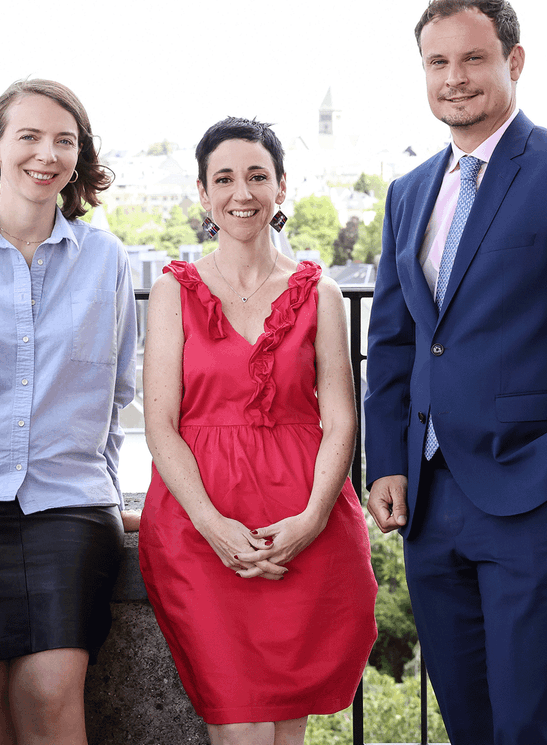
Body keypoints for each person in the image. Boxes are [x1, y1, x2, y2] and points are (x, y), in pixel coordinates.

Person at [364, 0, 547, 745]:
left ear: (513, 61)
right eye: (437, 62)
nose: (454, 77)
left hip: (534, 492)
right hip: (429, 500)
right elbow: (395, 342)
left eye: (472, 57)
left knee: (530, 721)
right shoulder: (407, 192)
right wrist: (387, 464)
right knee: (468, 719)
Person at [140, 117, 377, 745]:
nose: (241, 192)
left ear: (280, 187)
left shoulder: (318, 291)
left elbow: (341, 418)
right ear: (202, 193)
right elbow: (161, 426)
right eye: (224, 178)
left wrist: (310, 520)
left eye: (256, 176)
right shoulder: (173, 291)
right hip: (201, 530)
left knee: (285, 732)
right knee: (239, 728)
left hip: (305, 525)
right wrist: (214, 528)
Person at [0, 79, 137, 745]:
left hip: (66, 503)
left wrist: (105, 488)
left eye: (64, 141)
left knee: (49, 691)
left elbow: (117, 392)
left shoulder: (105, 259)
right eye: (29, 137)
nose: (47, 155)